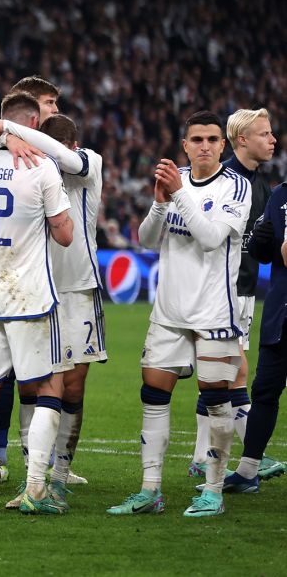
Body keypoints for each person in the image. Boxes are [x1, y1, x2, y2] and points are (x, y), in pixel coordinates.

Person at [107, 111, 251, 518]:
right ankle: (150, 490)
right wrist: (158, 202)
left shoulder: (236, 187)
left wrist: (179, 195)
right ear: (184, 145)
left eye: (211, 139)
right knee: (153, 397)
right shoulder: (175, 183)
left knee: (217, 403)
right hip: (168, 312)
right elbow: (148, 241)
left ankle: (213, 491)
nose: (204, 145)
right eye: (196, 139)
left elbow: (209, 238)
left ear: (223, 145)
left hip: (214, 313)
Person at [0, 110, 106, 502]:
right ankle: (36, 476)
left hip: (76, 287)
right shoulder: (24, 164)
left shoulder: (86, 160)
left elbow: (68, 159)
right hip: (35, 289)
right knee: (37, 383)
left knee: (72, 384)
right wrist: (9, 140)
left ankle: (60, 471)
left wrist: (9, 131)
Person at [0, 92, 74, 515]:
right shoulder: (41, 167)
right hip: (29, 296)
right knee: (48, 387)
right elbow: (65, 235)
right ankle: (36, 489)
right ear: (29, 123)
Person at [188, 109, 276, 478]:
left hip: (244, 290)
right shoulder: (222, 181)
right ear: (242, 139)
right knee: (226, 372)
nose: (273, 140)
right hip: (218, 291)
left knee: (227, 373)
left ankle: (217, 457)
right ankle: (238, 458)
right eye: (265, 134)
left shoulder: (262, 185)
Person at [220, 182, 287, 491]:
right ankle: (248, 472)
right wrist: (261, 243)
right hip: (280, 314)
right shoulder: (280, 195)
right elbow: (265, 253)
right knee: (264, 391)